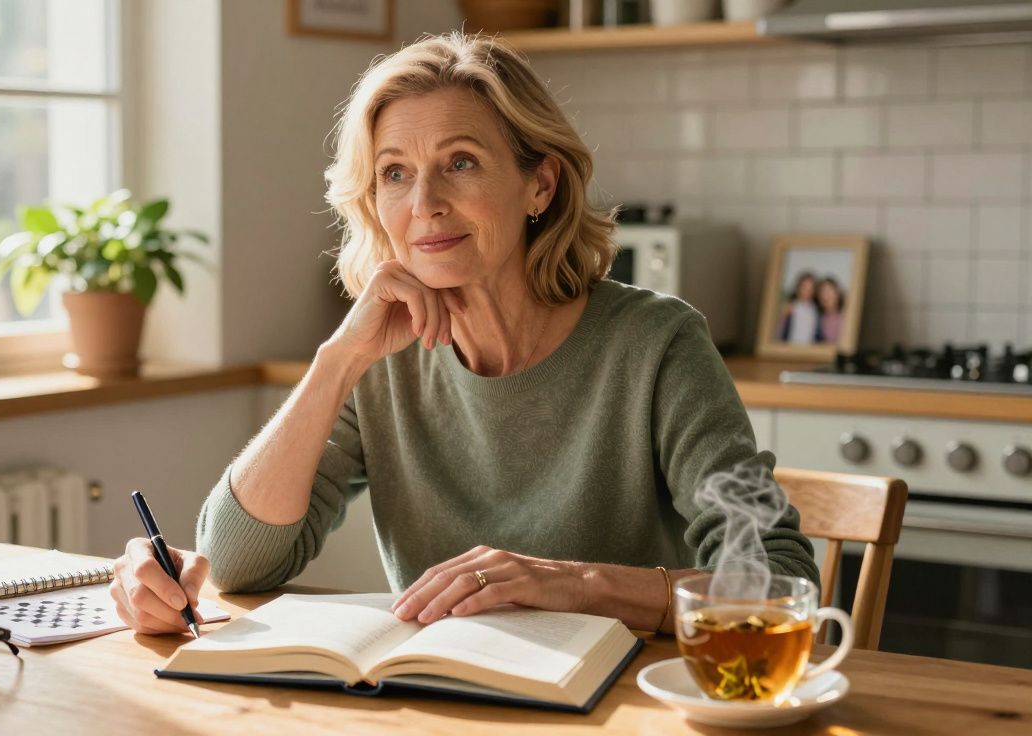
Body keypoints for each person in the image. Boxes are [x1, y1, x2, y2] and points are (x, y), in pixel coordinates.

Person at [111, 32, 817, 637]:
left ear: (540, 186)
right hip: (445, 704)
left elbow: (782, 585)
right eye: (395, 173)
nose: (425, 205)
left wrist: (574, 585)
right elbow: (235, 562)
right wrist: (337, 361)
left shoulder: (658, 345)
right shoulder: (380, 357)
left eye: (461, 163)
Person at [778, 272, 818, 344]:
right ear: (798, 287)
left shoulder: (816, 310)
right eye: (804, 286)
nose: (807, 290)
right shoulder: (789, 307)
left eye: (811, 287)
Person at [815, 276, 844, 344]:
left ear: (837, 293)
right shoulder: (817, 320)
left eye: (829, 291)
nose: (826, 296)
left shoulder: (845, 318)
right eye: (823, 292)